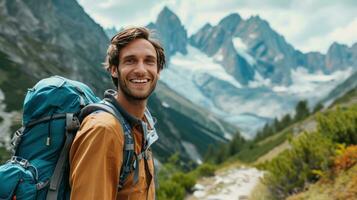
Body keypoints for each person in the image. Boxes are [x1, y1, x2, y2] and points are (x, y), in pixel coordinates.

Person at [69, 27, 165, 199]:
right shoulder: (104, 129)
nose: (141, 70)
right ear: (114, 69)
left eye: (149, 61)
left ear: (158, 70)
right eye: (130, 61)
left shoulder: (140, 125)